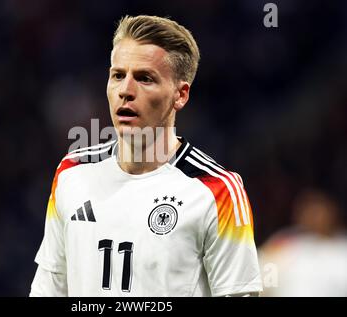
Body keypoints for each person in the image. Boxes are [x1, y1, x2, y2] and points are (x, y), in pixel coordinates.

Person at [30, 15, 263, 297]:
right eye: (117, 75)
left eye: (144, 78)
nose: (125, 91)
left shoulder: (217, 191)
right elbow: (49, 287)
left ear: (180, 95)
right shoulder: (72, 172)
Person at [259, 189, 347, 297]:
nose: (314, 217)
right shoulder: (284, 241)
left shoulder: (342, 247)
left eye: (318, 211)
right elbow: (264, 276)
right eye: (308, 210)